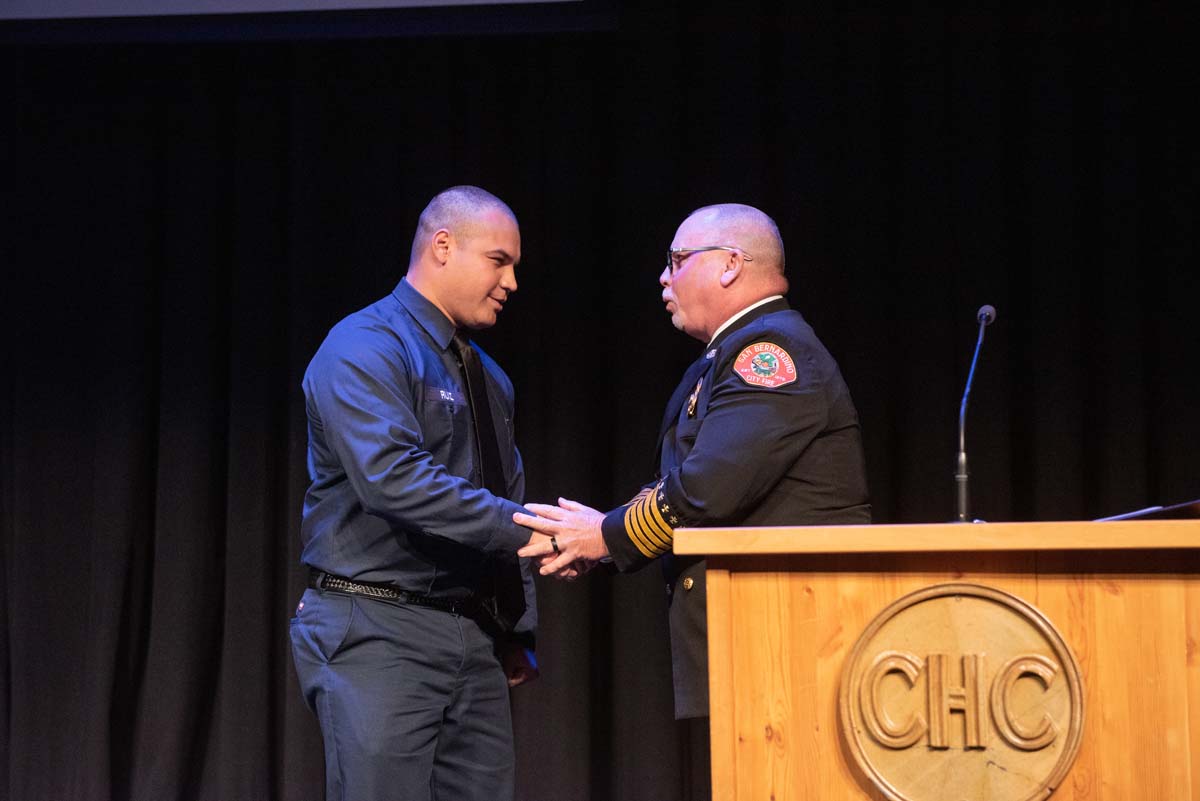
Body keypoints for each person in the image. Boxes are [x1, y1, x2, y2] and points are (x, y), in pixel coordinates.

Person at [516, 203, 871, 724]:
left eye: (677, 260)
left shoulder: (769, 352)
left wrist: (606, 535)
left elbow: (707, 488)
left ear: (730, 264)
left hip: (788, 639)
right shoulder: (729, 354)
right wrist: (601, 539)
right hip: (756, 641)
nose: (664, 277)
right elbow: (682, 483)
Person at [291, 186, 542, 801]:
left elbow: (506, 492)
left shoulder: (491, 378)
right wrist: (529, 530)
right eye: (498, 261)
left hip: (472, 635)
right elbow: (394, 480)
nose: (511, 282)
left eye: (515, 266)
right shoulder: (365, 346)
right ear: (442, 246)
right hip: (379, 626)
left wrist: (517, 629)